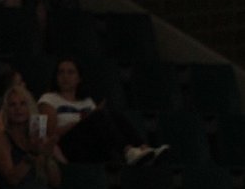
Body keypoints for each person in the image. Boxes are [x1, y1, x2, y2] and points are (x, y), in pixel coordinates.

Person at [0, 84, 106, 189]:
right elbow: (12, 179)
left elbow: (55, 182)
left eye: (23, 104)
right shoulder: (0, 139)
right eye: (12, 105)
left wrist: (47, 156)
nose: (18, 109)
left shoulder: (39, 137)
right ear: (6, 110)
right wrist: (32, 154)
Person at [38, 57, 166, 167]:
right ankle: (127, 151)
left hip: (91, 144)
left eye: (70, 72)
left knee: (113, 113)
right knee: (98, 116)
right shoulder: (49, 99)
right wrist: (82, 120)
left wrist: (89, 117)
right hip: (67, 145)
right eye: (61, 72)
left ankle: (143, 147)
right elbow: (50, 134)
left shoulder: (87, 101)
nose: (65, 77)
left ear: (79, 78)